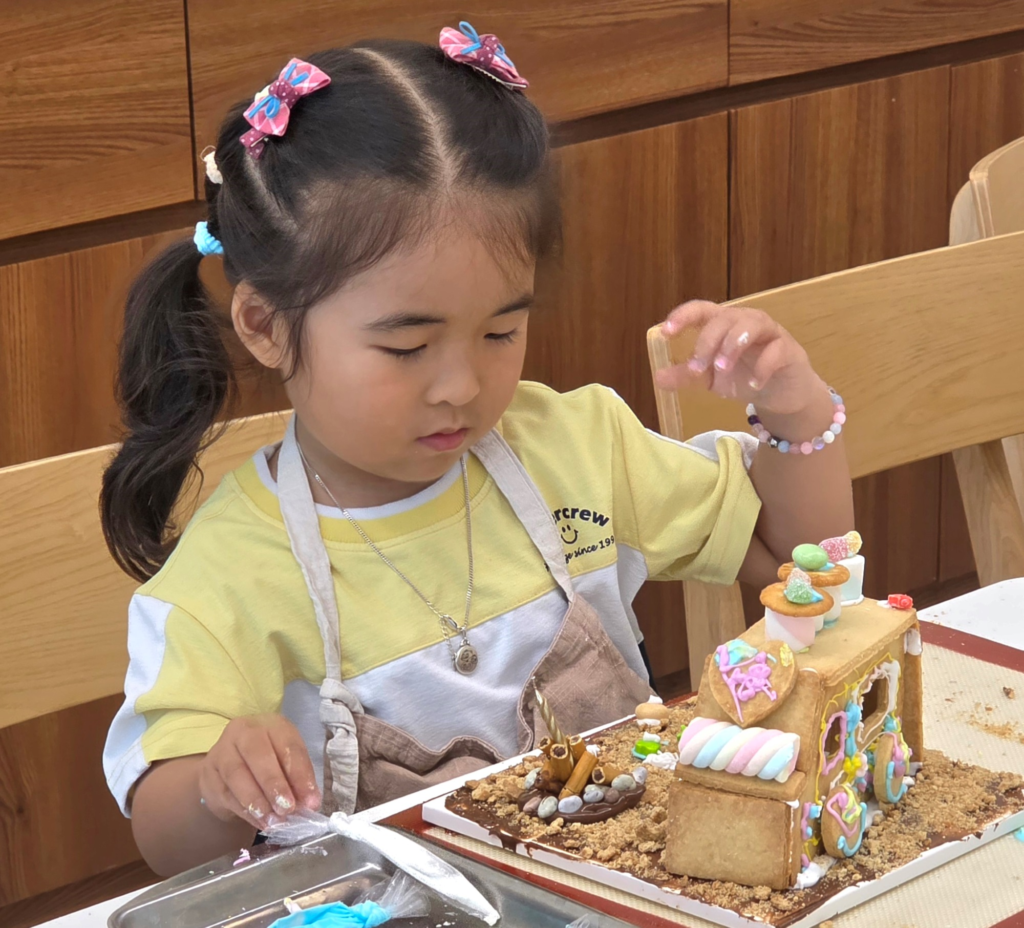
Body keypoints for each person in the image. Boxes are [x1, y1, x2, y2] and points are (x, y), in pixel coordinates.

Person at [100, 25, 853, 876]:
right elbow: (163, 839)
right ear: (267, 326)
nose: (460, 384)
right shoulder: (228, 577)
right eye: (407, 347)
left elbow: (799, 563)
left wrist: (795, 408)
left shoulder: (571, 447)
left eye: (501, 330)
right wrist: (215, 784)